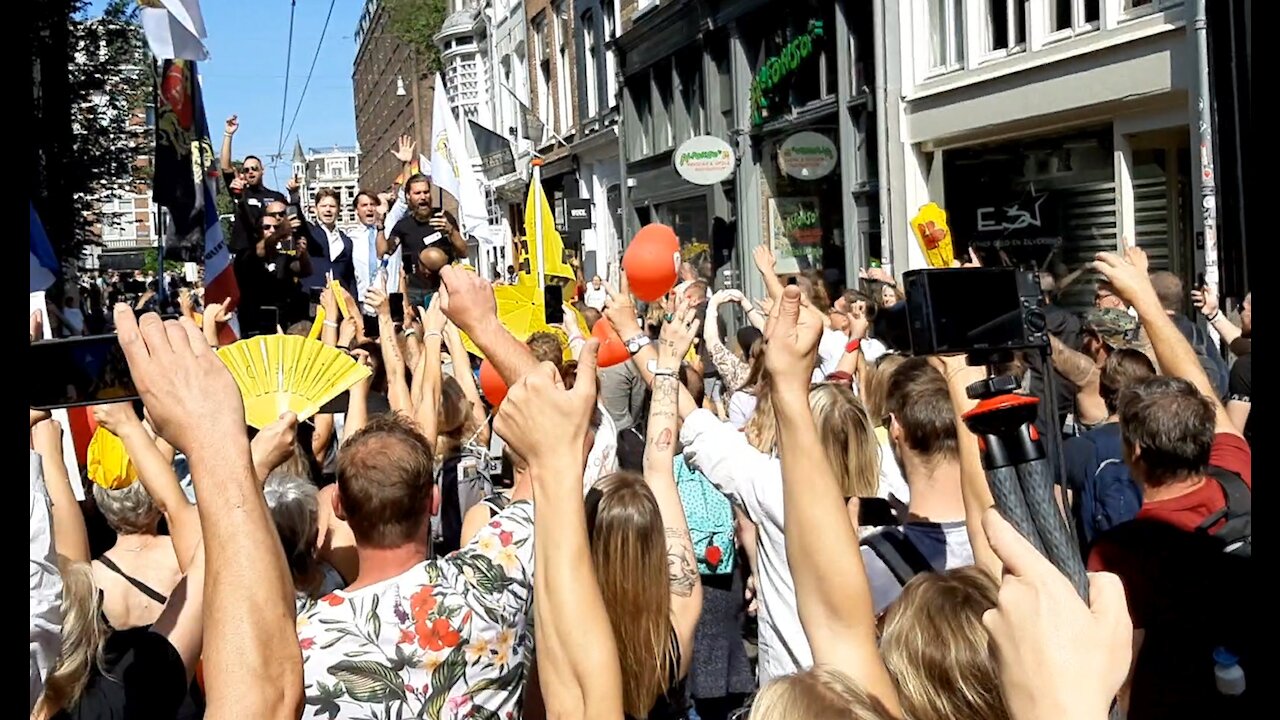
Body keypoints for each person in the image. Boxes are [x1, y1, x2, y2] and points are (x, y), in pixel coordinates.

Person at [297, 414, 537, 718]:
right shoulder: (489, 579)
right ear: (434, 501)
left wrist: (258, 467)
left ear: (338, 506)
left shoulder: (304, 641)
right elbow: (558, 456)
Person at [386, 174, 466, 308]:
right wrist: (380, 227)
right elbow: (385, 251)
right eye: (417, 193)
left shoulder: (443, 217)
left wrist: (451, 231)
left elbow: (463, 252)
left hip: (444, 286)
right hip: (414, 291)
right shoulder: (403, 225)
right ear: (408, 197)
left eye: (426, 192)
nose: (423, 197)